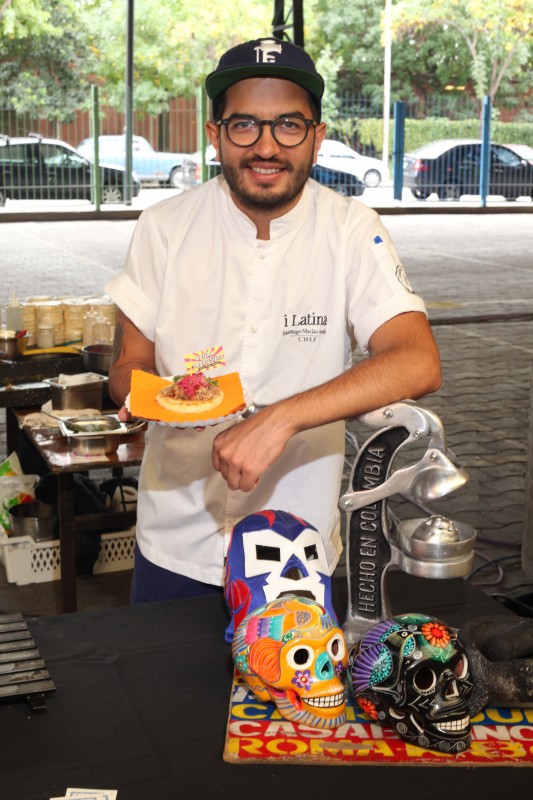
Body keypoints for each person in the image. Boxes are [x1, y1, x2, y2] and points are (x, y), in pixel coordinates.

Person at [105, 37, 441, 603]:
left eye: (289, 125)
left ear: (317, 135)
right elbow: (130, 365)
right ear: (215, 136)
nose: (266, 147)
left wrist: (280, 419)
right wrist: (154, 398)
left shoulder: (351, 229)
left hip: (296, 549)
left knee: (294, 690)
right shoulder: (164, 226)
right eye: (244, 126)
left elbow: (417, 361)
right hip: (175, 543)